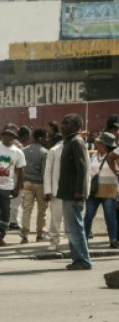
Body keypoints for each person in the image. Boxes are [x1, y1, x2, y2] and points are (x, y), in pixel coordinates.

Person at [57, 113, 91, 270]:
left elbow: (82, 168)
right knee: (72, 228)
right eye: (62, 122)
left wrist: (79, 191)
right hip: (67, 192)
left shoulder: (76, 142)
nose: (62, 125)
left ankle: (82, 260)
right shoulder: (68, 142)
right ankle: (78, 259)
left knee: (75, 227)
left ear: (77, 126)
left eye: (66, 123)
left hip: (73, 193)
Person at [84, 132, 119, 248]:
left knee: (110, 215)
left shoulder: (114, 157)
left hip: (110, 191)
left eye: (99, 143)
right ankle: (84, 238)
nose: (96, 144)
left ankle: (113, 239)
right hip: (94, 191)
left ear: (105, 145)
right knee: (88, 215)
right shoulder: (93, 155)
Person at [0, 126, 25, 246]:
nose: (8, 137)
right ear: (2, 136)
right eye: (5, 135)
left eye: (10, 135)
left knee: (6, 214)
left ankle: (1, 236)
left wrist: (18, 187)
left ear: (14, 137)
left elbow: (20, 171)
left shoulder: (18, 152)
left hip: (8, 187)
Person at [20, 128, 49, 243]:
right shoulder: (44, 152)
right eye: (46, 137)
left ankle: (24, 235)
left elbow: (21, 168)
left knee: (27, 209)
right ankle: (40, 234)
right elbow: (45, 172)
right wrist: (48, 190)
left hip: (26, 183)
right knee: (42, 210)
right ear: (41, 138)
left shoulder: (24, 150)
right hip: (40, 184)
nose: (47, 139)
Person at [44, 132, 65, 252]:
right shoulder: (54, 150)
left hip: (73, 191)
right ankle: (53, 240)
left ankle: (73, 242)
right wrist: (48, 190)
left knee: (72, 218)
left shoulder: (79, 147)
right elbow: (48, 171)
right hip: (57, 190)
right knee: (55, 218)